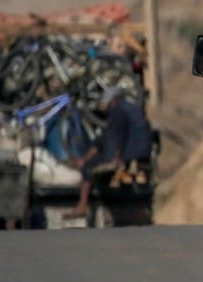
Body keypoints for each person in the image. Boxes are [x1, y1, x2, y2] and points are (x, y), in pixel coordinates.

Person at [65, 88, 152, 220]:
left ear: (114, 100)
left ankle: (82, 206)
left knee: (88, 168)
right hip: (142, 152)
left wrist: (116, 157)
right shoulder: (133, 108)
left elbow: (119, 135)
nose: (107, 106)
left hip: (128, 153)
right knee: (97, 151)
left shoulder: (118, 110)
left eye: (109, 103)